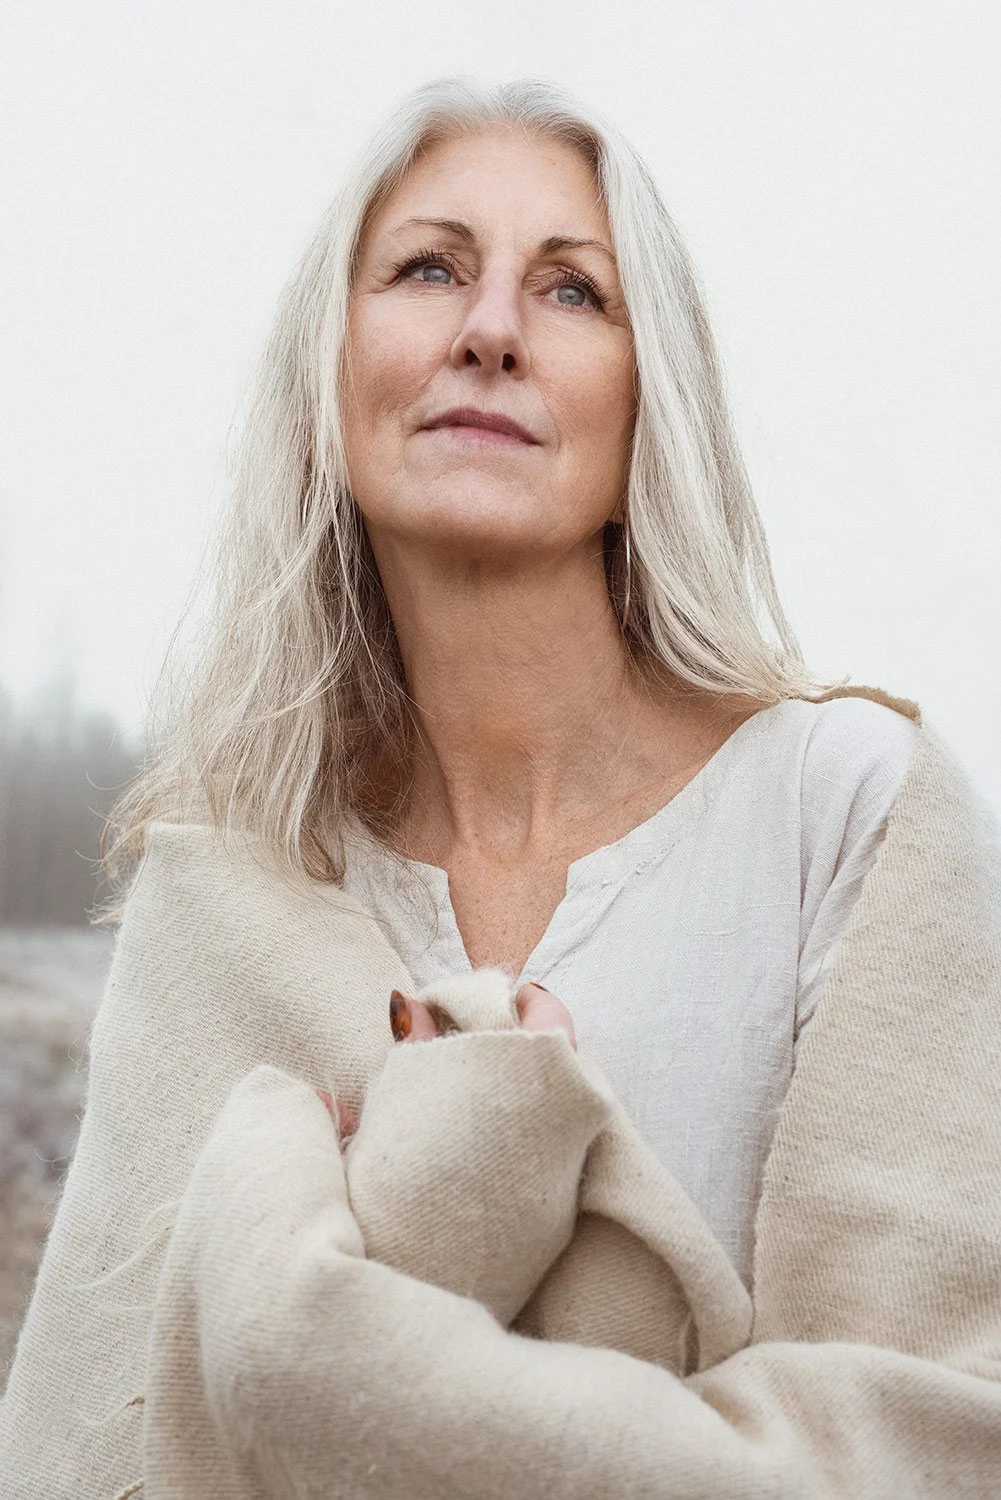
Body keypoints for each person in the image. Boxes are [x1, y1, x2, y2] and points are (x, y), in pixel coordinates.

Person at [3, 77, 999, 1499]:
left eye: (573, 290)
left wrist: (315, 1351)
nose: (490, 330)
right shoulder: (225, 882)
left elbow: (934, 1430)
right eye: (429, 268)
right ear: (325, 387)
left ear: (650, 417)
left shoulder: (846, 814)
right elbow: (98, 1451)